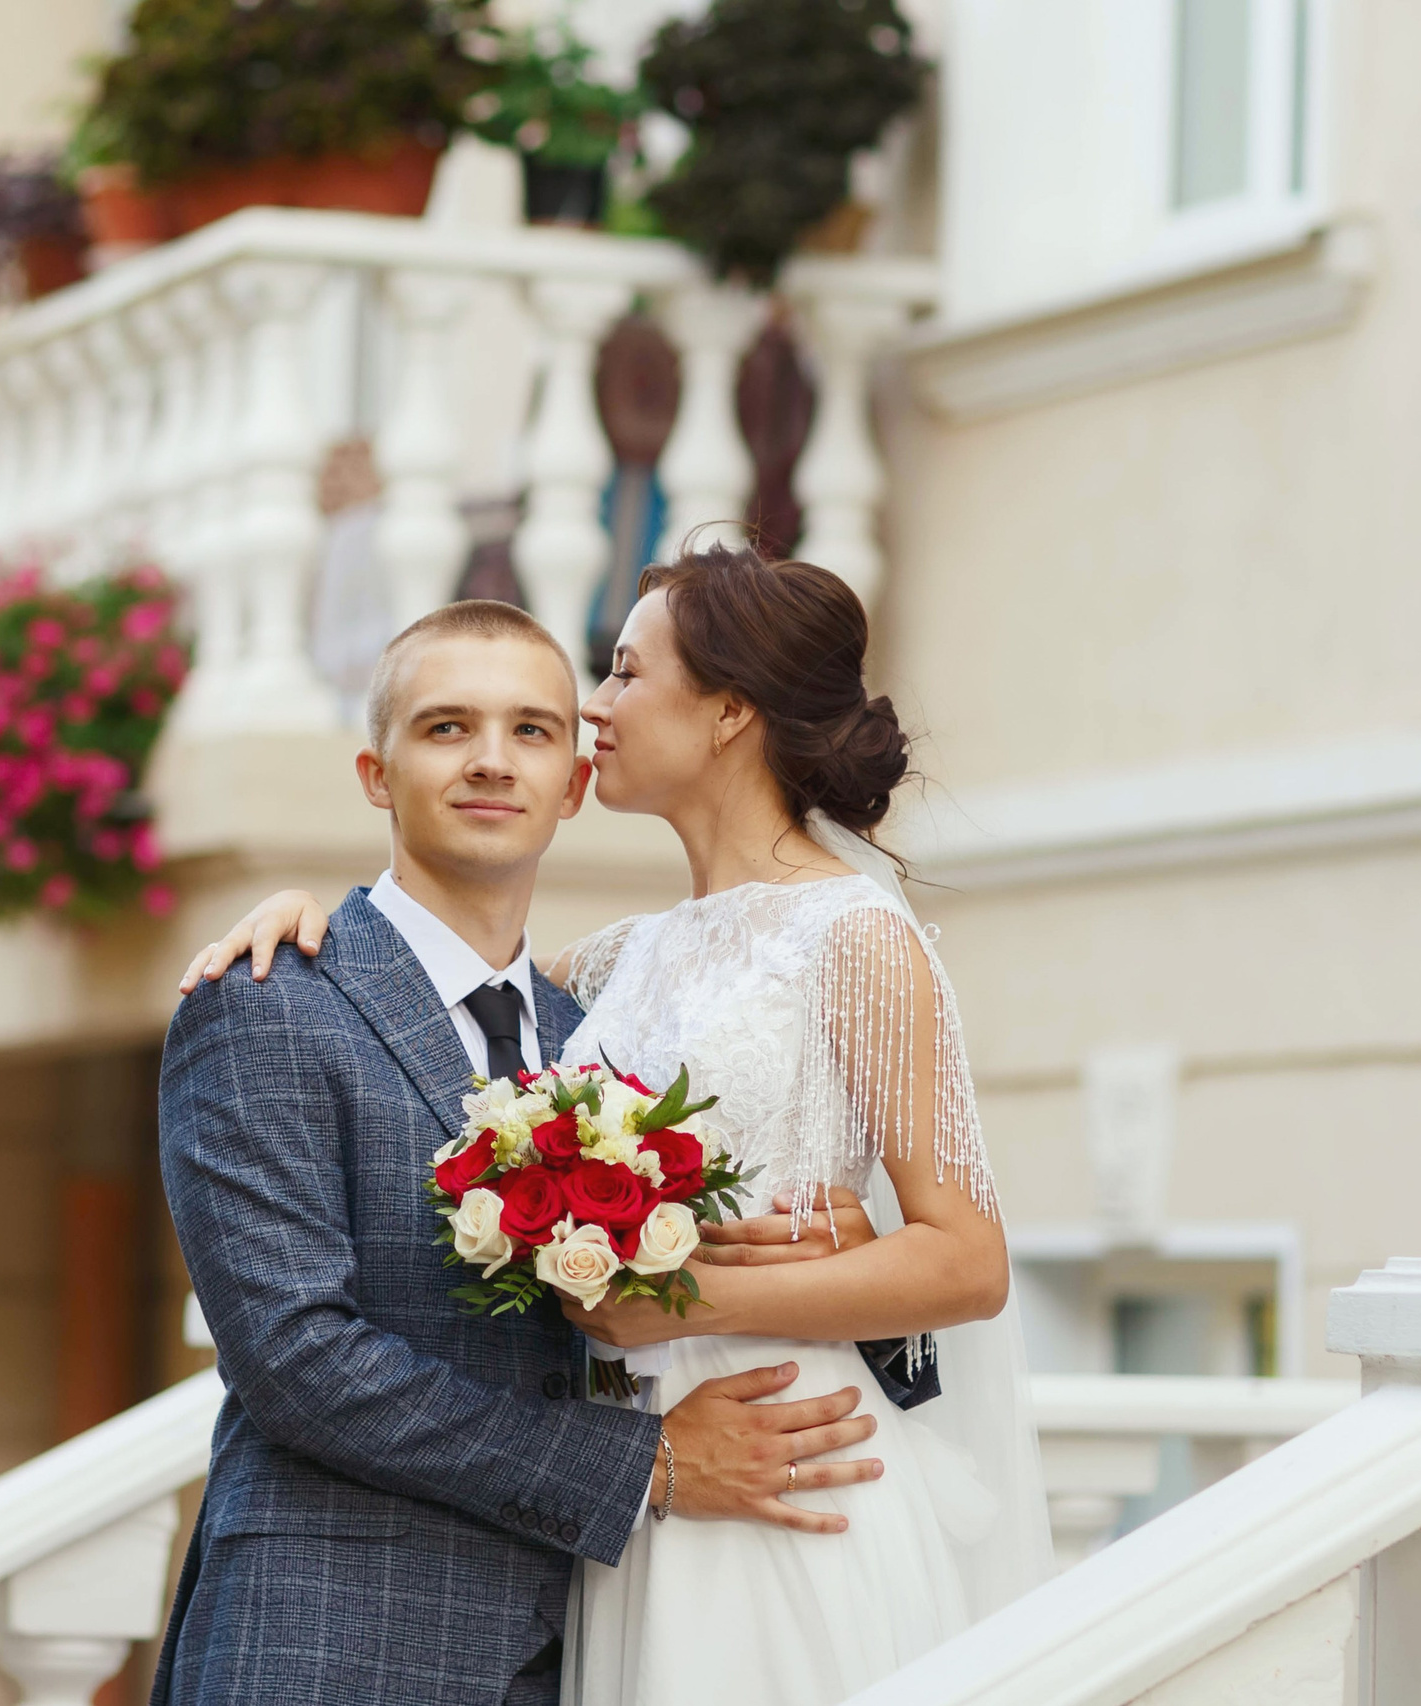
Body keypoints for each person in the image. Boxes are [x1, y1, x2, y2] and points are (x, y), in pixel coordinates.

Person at [180, 545, 1054, 1703]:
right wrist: (306, 922)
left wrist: (711, 1289)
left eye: (620, 675)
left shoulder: (848, 938)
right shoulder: (600, 974)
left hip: (777, 1466)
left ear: (729, 710)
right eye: (448, 728)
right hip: (590, 1530)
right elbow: (304, 1336)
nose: (593, 710)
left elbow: (960, 1253)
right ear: (377, 769)